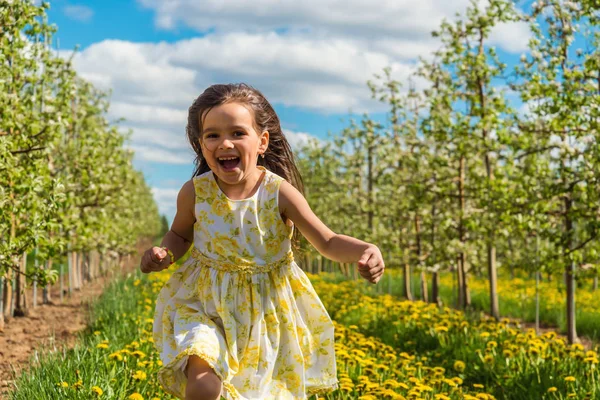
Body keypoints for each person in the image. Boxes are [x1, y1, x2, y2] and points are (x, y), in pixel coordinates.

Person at [140, 83, 385, 400]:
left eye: (238, 133)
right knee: (203, 382)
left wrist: (366, 250)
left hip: (266, 315)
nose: (225, 142)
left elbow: (327, 241)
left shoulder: (278, 192)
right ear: (201, 145)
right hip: (205, 304)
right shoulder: (195, 192)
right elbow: (180, 234)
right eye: (212, 135)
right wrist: (164, 253)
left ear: (262, 142)